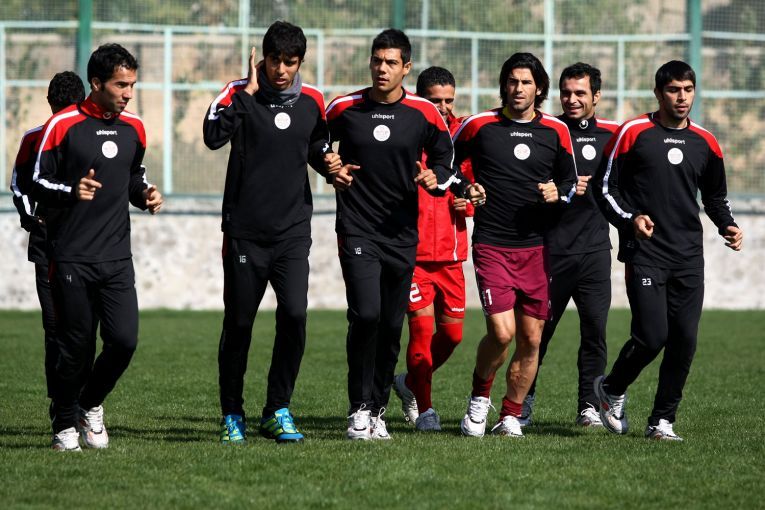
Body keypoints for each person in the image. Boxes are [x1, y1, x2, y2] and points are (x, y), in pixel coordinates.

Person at [326, 29, 483, 440]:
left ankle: (378, 410)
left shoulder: (422, 112)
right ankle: (358, 408)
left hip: (401, 234)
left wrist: (437, 178)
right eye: (377, 60)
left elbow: (446, 158)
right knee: (366, 315)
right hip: (358, 228)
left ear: (406, 67)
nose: (382, 68)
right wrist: (329, 164)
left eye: (391, 62)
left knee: (392, 326)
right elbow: (315, 140)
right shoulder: (344, 107)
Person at [592, 60, 743, 441]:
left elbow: (714, 197)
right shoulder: (633, 132)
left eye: (688, 90)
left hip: (688, 255)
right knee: (652, 336)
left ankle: (662, 420)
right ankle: (611, 388)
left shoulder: (706, 142)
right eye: (674, 90)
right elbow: (604, 188)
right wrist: (631, 220)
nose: (682, 97)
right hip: (646, 252)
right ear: (659, 93)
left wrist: (726, 224)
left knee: (684, 341)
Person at [203, 21, 337, 444]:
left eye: (290, 62)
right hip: (245, 231)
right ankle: (232, 413)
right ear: (262, 58)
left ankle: (278, 409)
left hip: (293, 231)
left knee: (295, 316)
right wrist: (246, 93)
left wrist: (330, 165)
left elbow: (315, 146)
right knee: (239, 323)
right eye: (275, 60)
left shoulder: (313, 100)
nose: (281, 70)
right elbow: (212, 136)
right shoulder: (236, 92)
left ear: (300, 62)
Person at [33, 43, 163, 451]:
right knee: (75, 347)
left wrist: (145, 195)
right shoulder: (63, 125)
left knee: (124, 341)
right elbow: (38, 181)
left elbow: (133, 177)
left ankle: (88, 404)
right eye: (121, 85)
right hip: (71, 256)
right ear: (96, 83)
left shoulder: (134, 128)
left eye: (132, 85)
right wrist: (71, 190)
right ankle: (64, 424)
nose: (129, 94)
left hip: (117, 257)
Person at [454, 52, 580, 438]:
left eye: (526, 82)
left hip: (538, 249)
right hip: (492, 244)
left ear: (539, 88)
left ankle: (510, 414)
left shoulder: (555, 131)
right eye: (512, 81)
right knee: (502, 333)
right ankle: (480, 397)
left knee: (531, 338)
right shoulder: (480, 125)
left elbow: (570, 182)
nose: (518, 88)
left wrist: (557, 192)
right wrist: (467, 188)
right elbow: (446, 163)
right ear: (503, 86)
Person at [523, 63, 619, 428]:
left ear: (597, 96)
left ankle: (588, 407)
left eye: (580, 93)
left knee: (595, 333)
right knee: (538, 335)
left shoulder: (613, 135)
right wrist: (552, 188)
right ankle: (523, 401)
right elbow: (526, 182)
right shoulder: (547, 130)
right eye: (566, 93)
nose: (572, 99)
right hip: (551, 252)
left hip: (595, 252)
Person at [392, 66, 474, 431]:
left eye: (448, 100)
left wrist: (469, 203)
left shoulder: (463, 136)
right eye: (435, 100)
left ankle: (408, 383)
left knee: (453, 336)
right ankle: (425, 410)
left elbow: (473, 186)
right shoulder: (406, 130)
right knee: (421, 333)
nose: (443, 107)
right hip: (415, 254)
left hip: (452, 255)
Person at [10, 71, 87, 420]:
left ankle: (81, 400)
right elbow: (19, 184)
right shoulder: (35, 138)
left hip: (85, 244)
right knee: (55, 325)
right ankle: (61, 403)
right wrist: (32, 218)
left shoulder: (90, 137)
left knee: (79, 327)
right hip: (47, 244)